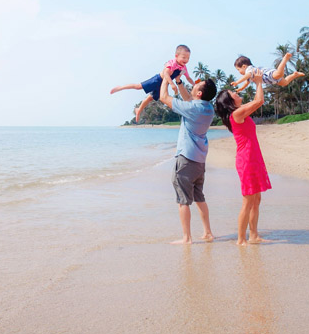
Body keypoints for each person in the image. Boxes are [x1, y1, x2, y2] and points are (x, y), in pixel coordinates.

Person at [157, 72, 217, 244]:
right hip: (199, 161)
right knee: (199, 197)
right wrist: (179, 81)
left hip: (185, 160)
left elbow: (163, 97)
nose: (195, 83)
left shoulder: (192, 109)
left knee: (183, 201)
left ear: (199, 93)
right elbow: (189, 99)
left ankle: (186, 238)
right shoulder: (207, 108)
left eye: (198, 84)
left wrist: (165, 78)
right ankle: (208, 233)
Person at [214, 71, 272, 245]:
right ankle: (241, 240)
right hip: (246, 160)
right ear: (229, 102)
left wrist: (252, 80)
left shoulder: (240, 112)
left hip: (254, 158)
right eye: (234, 94)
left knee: (256, 200)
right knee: (248, 201)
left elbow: (255, 101)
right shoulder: (236, 115)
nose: (238, 94)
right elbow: (259, 101)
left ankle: (253, 235)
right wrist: (259, 82)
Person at [110, 45, 196, 123]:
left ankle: (139, 110)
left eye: (188, 58)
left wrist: (194, 84)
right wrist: (172, 84)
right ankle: (120, 87)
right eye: (184, 57)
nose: (186, 60)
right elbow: (166, 73)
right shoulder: (172, 63)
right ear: (176, 56)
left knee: (150, 98)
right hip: (157, 80)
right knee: (138, 86)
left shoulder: (183, 67)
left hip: (163, 86)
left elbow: (188, 78)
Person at [232, 53, 304, 92]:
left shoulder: (249, 69)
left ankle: (284, 59)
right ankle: (295, 75)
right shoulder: (248, 76)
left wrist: (237, 82)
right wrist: (241, 88)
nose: (239, 72)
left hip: (267, 74)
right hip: (269, 80)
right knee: (285, 83)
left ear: (244, 66)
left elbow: (246, 76)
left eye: (238, 69)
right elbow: (246, 83)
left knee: (279, 74)